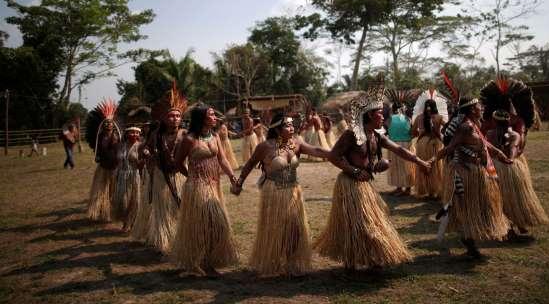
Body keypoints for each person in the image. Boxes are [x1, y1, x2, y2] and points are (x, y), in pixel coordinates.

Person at [314, 81, 431, 271]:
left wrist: (421, 162)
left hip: (365, 185)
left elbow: (399, 151)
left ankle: (371, 256)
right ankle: (352, 261)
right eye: (380, 113)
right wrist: (354, 171)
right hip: (350, 185)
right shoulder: (352, 134)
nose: (383, 116)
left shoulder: (376, 135)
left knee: (372, 221)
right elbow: (333, 156)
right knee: (356, 224)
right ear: (369, 114)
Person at [232, 113, 331, 277]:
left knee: (295, 228)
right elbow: (249, 164)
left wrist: (334, 153)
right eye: (287, 125)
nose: (292, 128)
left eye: (292, 125)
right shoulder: (265, 146)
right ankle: (275, 261)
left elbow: (316, 150)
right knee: (276, 230)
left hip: (293, 191)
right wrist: (239, 183)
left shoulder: (297, 142)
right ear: (277, 129)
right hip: (273, 192)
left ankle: (291, 261)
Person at [435, 97, 510, 259]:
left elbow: (484, 144)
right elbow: (451, 147)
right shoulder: (466, 127)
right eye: (478, 106)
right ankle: (470, 244)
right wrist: (430, 162)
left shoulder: (474, 125)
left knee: (478, 206)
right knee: (468, 208)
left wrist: (500, 153)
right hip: (465, 173)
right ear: (471, 109)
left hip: (476, 172)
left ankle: (470, 242)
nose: (481, 108)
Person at [170, 105, 238, 277]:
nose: (215, 117)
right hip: (197, 188)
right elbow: (177, 163)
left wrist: (231, 176)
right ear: (202, 118)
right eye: (211, 114)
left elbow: (222, 159)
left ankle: (205, 261)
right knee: (208, 224)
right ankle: (203, 263)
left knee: (216, 226)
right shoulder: (189, 139)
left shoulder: (214, 136)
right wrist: (191, 176)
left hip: (214, 186)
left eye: (214, 114)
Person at [486, 110, 549, 240]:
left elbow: (489, 151)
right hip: (512, 169)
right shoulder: (514, 134)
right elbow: (514, 148)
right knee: (515, 198)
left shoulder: (489, 134)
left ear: (494, 121)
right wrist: (511, 159)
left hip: (495, 169)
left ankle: (512, 227)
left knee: (502, 200)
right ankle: (513, 227)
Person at [143, 84, 188, 253]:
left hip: (180, 176)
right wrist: (148, 152)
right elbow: (145, 148)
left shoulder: (186, 134)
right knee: (163, 211)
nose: (175, 118)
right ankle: (164, 240)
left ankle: (181, 238)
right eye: (171, 116)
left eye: (178, 116)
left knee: (180, 208)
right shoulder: (156, 135)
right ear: (164, 118)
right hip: (162, 177)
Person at [85, 100, 121, 222]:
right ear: (102, 124)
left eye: (110, 123)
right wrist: (98, 155)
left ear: (113, 124)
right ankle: (101, 211)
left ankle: (113, 211)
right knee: (100, 190)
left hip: (115, 168)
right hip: (103, 167)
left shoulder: (118, 137)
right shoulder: (99, 138)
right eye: (106, 123)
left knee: (113, 190)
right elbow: (97, 150)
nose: (108, 125)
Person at [412, 99, 446, 199]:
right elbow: (448, 127)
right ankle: (436, 190)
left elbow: (413, 132)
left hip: (422, 144)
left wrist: (421, 133)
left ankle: (428, 191)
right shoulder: (439, 117)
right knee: (436, 167)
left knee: (424, 166)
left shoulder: (419, 117)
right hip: (436, 143)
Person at [112, 127, 143, 232]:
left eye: (136, 133)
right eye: (132, 132)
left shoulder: (140, 146)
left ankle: (132, 223)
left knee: (135, 201)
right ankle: (125, 222)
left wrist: (142, 160)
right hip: (122, 176)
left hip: (135, 176)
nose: (134, 134)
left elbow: (142, 163)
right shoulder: (122, 146)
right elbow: (117, 161)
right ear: (127, 134)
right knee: (123, 201)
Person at [386, 103, 416, 196]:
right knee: (408, 166)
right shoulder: (408, 119)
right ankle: (408, 189)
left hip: (394, 145)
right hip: (407, 144)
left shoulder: (389, 119)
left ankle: (399, 189)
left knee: (396, 167)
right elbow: (414, 132)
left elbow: (386, 129)